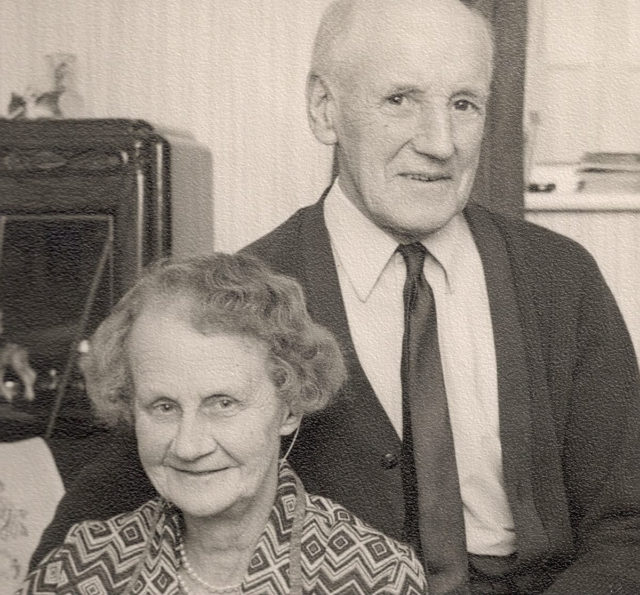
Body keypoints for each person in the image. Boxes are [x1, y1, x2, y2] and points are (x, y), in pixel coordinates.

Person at [33, 1, 640, 593]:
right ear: (325, 109)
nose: (440, 141)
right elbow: (102, 519)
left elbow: (628, 525)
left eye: (463, 104)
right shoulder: (242, 302)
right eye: (399, 100)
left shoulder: (559, 279)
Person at [21, 254, 427, 594]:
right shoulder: (83, 563)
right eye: (163, 407)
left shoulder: (373, 577)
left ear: (288, 408)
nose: (188, 446)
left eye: (223, 403)